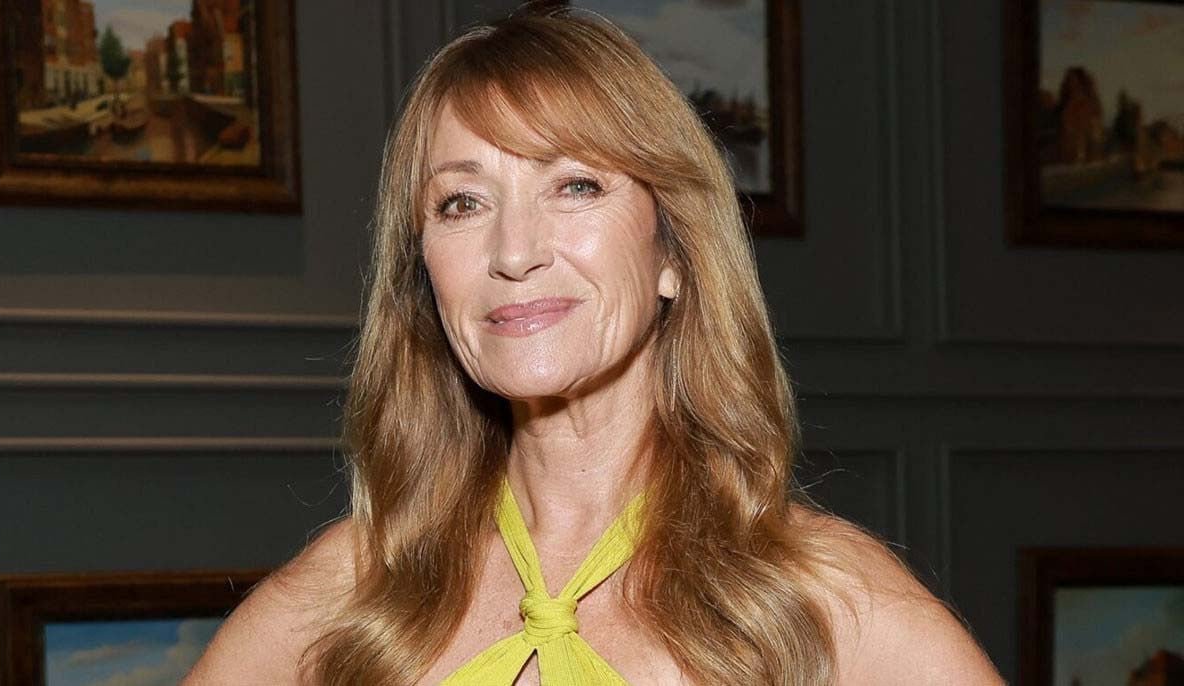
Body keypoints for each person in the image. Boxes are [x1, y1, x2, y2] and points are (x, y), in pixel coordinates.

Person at [187, 7, 1003, 685]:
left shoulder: (815, 599)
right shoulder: (358, 591)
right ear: (425, 273)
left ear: (673, 253)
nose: (514, 252)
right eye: (462, 202)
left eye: (576, 185)